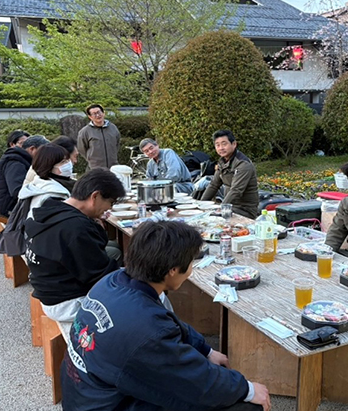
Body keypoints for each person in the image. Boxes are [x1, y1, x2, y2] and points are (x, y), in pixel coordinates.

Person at [61, 220, 271, 411]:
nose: (190, 270)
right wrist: (246, 389)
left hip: (87, 394)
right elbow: (196, 382)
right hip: (110, 404)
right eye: (190, 263)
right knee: (245, 406)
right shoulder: (146, 331)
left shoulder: (115, 281)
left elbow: (168, 322)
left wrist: (205, 350)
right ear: (172, 270)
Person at [24, 168, 126, 339]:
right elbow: (102, 275)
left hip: (49, 289)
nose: (110, 208)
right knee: (142, 295)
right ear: (95, 196)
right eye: (111, 202)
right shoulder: (75, 228)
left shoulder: (50, 209)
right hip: (67, 302)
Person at [201, 130, 259, 219]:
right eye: (217, 145)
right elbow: (213, 185)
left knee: (212, 219)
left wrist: (221, 209)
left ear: (234, 144)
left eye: (224, 144)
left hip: (244, 209)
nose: (221, 148)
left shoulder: (243, 164)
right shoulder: (222, 161)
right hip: (230, 206)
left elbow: (236, 190)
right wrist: (201, 204)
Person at [0, 134, 49, 217]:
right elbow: (17, 191)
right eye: (42, 152)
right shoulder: (15, 162)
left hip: (10, 203)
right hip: (8, 207)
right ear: (32, 149)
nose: (44, 155)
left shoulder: (22, 159)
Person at [18, 143, 73, 219]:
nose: (68, 164)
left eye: (68, 160)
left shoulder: (39, 182)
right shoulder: (54, 194)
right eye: (63, 162)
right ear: (48, 166)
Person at [77, 104, 121, 169]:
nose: (97, 115)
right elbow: (82, 149)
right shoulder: (85, 131)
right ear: (90, 117)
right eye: (94, 114)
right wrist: (91, 159)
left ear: (103, 113)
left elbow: (117, 144)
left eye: (99, 112)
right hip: (95, 167)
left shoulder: (113, 128)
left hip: (113, 166)